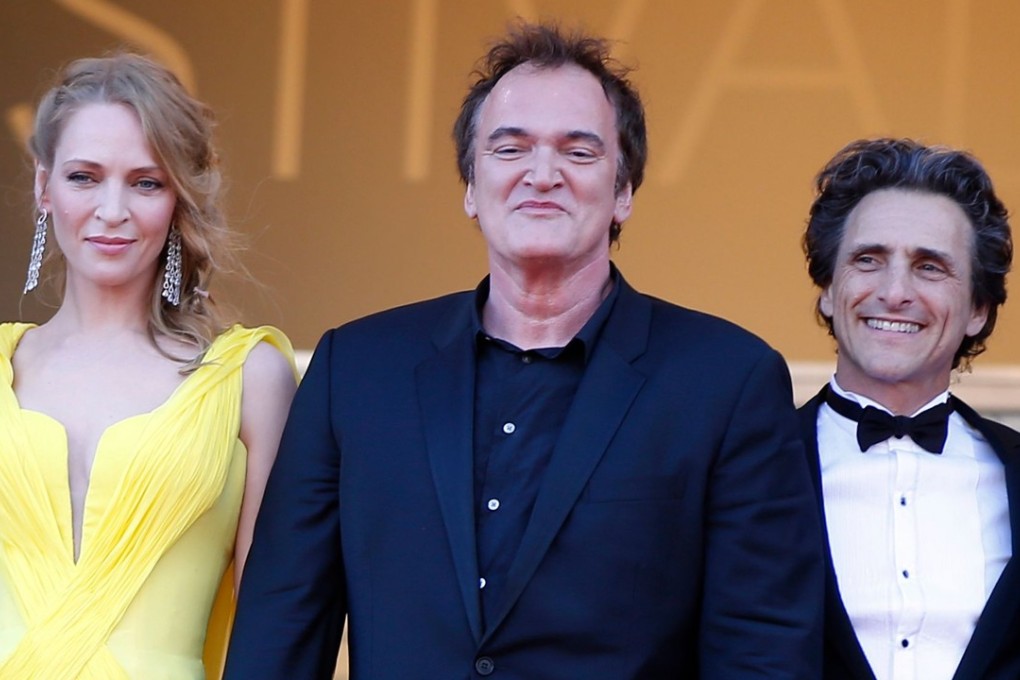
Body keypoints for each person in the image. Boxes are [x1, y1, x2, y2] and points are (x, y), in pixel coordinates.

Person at [226, 22, 823, 679]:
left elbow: (762, 653)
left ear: (623, 192)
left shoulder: (726, 382)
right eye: (510, 149)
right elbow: (278, 635)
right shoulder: (356, 372)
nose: (543, 175)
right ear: (470, 187)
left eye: (579, 151)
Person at [0, 53, 297, 679]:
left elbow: (272, 625)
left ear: (178, 199)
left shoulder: (250, 379)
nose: (113, 210)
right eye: (84, 177)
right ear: (42, 185)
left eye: (145, 182)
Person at [799, 137, 1019, 679]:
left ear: (977, 309)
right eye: (868, 260)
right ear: (829, 288)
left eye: (929, 267)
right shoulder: (746, 466)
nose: (895, 292)